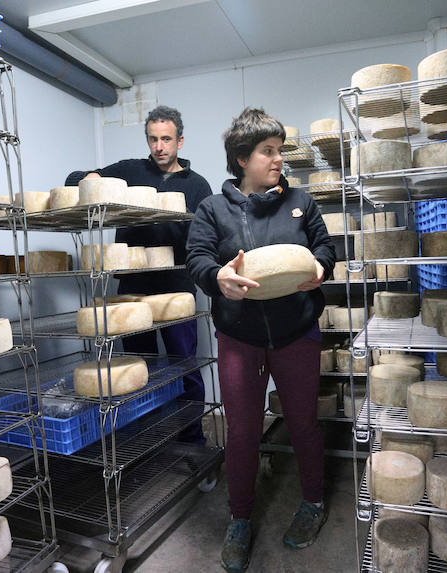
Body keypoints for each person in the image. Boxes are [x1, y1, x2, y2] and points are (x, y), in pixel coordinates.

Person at [185, 108, 336, 572]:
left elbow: (326, 247)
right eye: (268, 152)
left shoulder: (301, 203)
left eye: (279, 151)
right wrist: (217, 278)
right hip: (239, 336)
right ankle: (240, 518)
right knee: (244, 430)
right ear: (242, 158)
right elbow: (197, 259)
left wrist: (319, 268)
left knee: (303, 421)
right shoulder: (213, 208)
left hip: (295, 331)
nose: (278, 160)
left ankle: (313, 502)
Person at [65, 105, 213, 446]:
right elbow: (74, 180)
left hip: (176, 291)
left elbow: (205, 239)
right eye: (153, 139)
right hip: (132, 290)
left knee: (183, 367)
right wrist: (91, 179)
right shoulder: (130, 170)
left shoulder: (197, 185)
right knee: (135, 369)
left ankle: (191, 440)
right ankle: (143, 439)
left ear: (180, 141)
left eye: (166, 139)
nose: (159, 146)